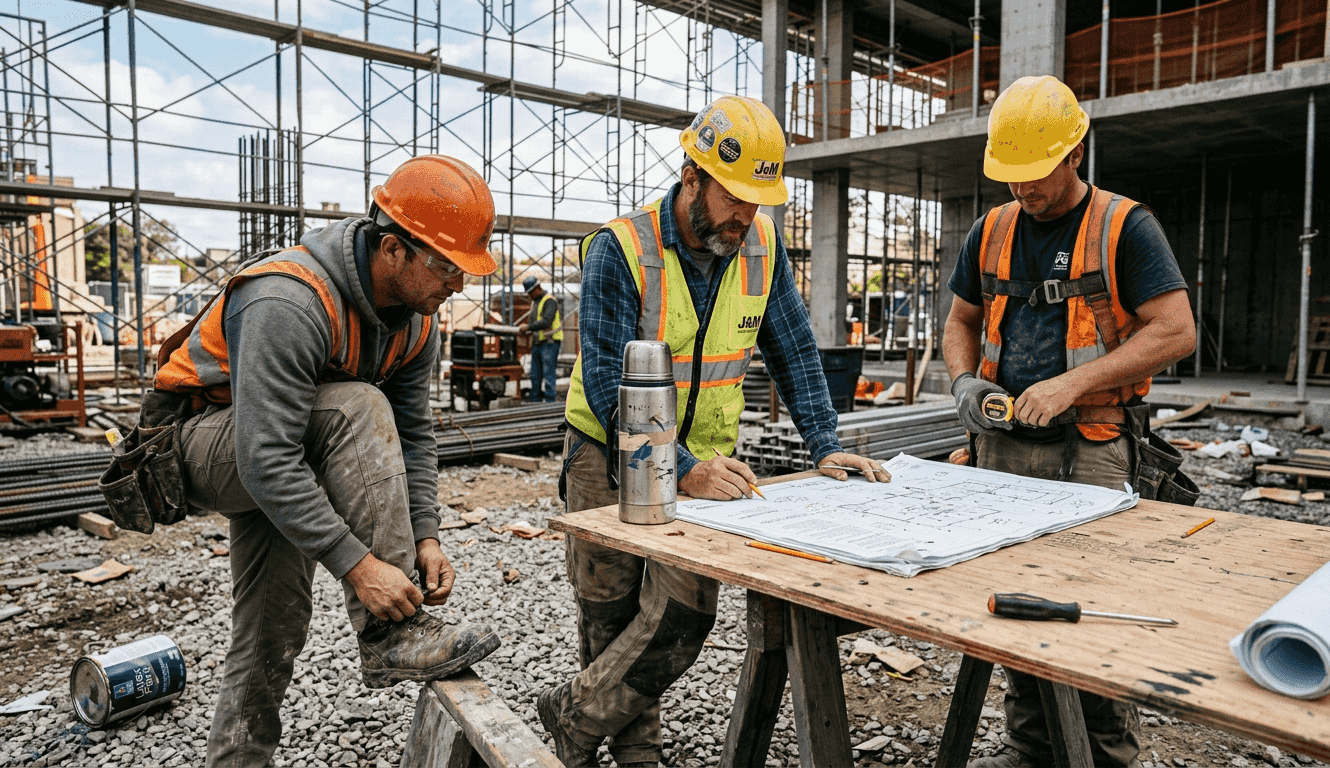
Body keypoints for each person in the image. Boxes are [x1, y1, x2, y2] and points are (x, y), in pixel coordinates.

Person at [537, 94, 891, 768]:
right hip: (604, 455)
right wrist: (682, 466)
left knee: (682, 615)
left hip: (700, 465)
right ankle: (636, 753)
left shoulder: (760, 246)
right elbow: (608, 379)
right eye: (734, 198)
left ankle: (573, 718)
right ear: (691, 178)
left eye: (758, 202)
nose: (746, 216)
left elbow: (794, 349)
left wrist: (826, 444)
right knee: (609, 611)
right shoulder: (621, 249)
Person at [152, 155, 503, 768]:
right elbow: (265, 458)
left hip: (290, 449)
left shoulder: (417, 324)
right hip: (197, 446)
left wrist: (425, 534)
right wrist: (362, 569)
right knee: (356, 405)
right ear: (392, 249)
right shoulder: (287, 300)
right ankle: (390, 634)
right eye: (447, 266)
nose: (458, 285)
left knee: (272, 627)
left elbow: (414, 436)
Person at [942, 76, 1195, 768]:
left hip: (1094, 446)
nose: (1024, 187)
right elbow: (961, 321)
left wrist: (1071, 384)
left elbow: (1175, 330)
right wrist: (964, 381)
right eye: (1013, 173)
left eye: (1037, 171)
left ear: (1076, 152)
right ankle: (1030, 748)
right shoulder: (991, 231)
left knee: (1090, 605)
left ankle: (1106, 757)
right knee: (1019, 600)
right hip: (1002, 447)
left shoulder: (1124, 226)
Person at [520, 275, 562, 402]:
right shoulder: (535, 302)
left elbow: (546, 322)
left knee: (548, 373)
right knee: (535, 374)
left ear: (537, 288)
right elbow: (533, 321)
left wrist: (528, 327)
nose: (529, 295)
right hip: (538, 342)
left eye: (530, 292)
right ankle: (535, 400)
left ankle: (550, 401)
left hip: (550, 342)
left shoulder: (549, 301)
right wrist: (528, 329)